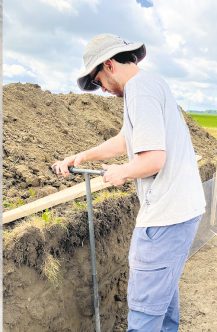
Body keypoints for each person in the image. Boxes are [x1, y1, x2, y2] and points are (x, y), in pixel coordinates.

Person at [52, 34, 206, 331]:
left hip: (166, 217)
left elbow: (152, 160)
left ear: (109, 65)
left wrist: (121, 172)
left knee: (144, 311)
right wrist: (82, 156)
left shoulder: (139, 90)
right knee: (163, 299)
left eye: (98, 81)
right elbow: (126, 140)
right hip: (181, 211)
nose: (103, 90)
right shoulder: (151, 84)